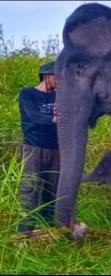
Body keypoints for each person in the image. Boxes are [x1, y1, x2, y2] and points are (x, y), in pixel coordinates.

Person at [17, 61, 59, 233]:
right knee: (30, 189)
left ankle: (50, 232)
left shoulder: (61, 96)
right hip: (33, 149)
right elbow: (31, 115)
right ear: (47, 76)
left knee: (53, 191)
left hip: (56, 150)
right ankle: (24, 232)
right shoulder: (27, 94)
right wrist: (54, 119)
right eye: (58, 77)